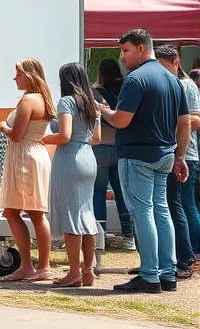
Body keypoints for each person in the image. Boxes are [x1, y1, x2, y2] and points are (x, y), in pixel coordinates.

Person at [102, 29, 190, 293]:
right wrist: (180, 156)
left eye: (126, 50)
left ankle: (150, 275)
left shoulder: (136, 79)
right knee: (161, 212)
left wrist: (104, 111)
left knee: (143, 214)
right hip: (165, 155)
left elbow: (122, 120)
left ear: (142, 48)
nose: (122, 57)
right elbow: (184, 121)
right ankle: (167, 274)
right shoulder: (174, 79)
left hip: (138, 155)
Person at [42, 63, 101, 287]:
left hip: (70, 160)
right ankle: (88, 271)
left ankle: (74, 272)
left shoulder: (67, 101)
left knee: (71, 218)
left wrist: (44, 139)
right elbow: (95, 138)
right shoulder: (90, 103)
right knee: (86, 215)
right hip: (88, 157)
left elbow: (64, 135)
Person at [0, 57, 55, 282]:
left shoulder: (29, 100)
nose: (15, 78)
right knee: (30, 212)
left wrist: (3, 126)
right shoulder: (43, 98)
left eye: (18, 73)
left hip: (25, 157)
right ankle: (35, 265)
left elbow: (16, 134)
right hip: (34, 155)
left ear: (29, 75)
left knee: (26, 212)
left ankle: (34, 266)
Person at [154, 45, 200, 278]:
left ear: (175, 62)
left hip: (184, 154)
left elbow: (196, 119)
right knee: (175, 205)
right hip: (172, 153)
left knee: (181, 205)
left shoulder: (186, 85)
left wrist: (174, 122)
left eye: (163, 66)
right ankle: (182, 256)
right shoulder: (172, 83)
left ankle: (188, 257)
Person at [92, 58, 135, 250]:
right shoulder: (126, 91)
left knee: (98, 193)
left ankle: (100, 235)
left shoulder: (97, 93)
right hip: (120, 148)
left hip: (100, 147)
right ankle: (129, 235)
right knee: (122, 193)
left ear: (101, 74)